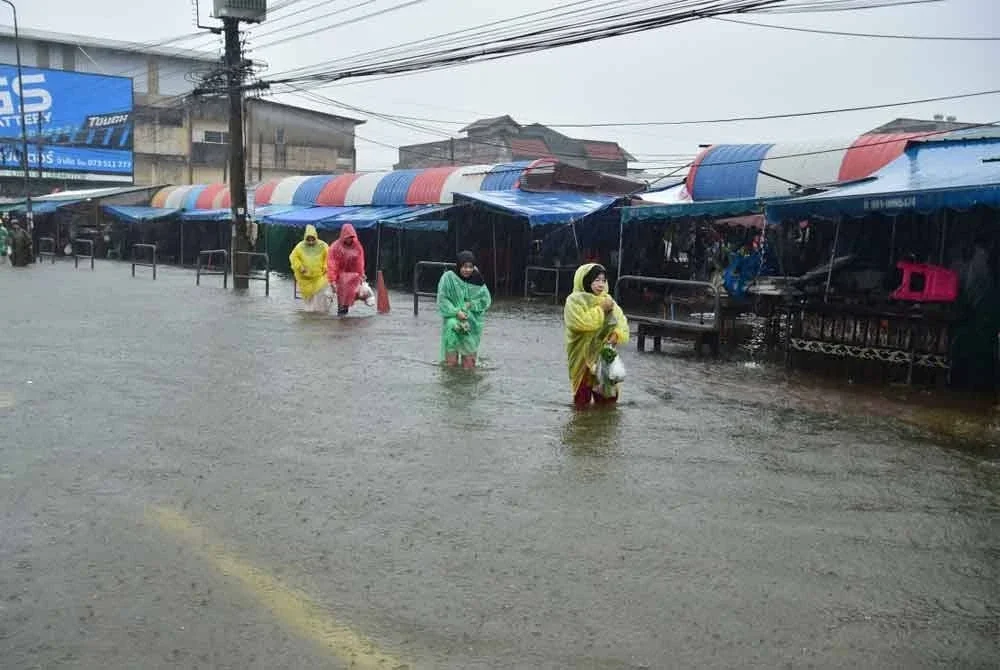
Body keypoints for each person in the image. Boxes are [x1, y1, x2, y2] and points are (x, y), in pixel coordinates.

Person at [564, 263, 629, 408]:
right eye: (596, 280)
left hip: (603, 355)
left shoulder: (608, 300)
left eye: (603, 280)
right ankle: (582, 428)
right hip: (581, 357)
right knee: (582, 400)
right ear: (586, 281)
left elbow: (621, 322)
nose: (600, 284)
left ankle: (602, 428)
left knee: (608, 399)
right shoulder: (574, 301)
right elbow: (581, 323)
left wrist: (616, 335)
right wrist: (601, 310)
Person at [437, 250, 492, 369]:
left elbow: (485, 300)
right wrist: (456, 312)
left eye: (470, 267)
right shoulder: (449, 278)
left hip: (472, 322)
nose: (467, 270)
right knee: (450, 364)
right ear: (458, 266)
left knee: (469, 364)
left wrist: (471, 305)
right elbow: (442, 299)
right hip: (454, 321)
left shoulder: (477, 279)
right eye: (464, 266)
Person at [326, 223, 367, 315]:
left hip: (352, 276)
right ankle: (341, 317)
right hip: (340, 276)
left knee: (350, 297)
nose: (349, 239)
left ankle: (344, 319)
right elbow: (332, 264)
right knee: (341, 298)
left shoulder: (357, 246)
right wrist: (332, 279)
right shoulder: (335, 247)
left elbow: (359, 261)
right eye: (347, 237)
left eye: (351, 237)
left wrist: (361, 274)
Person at [289, 225, 330, 313]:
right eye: (308, 239)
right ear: (305, 237)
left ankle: (319, 315)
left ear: (316, 236)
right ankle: (310, 316)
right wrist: (300, 267)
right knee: (308, 301)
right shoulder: (300, 246)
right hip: (305, 279)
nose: (311, 242)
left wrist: (325, 266)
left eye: (312, 239)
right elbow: (293, 257)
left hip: (319, 277)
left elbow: (329, 257)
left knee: (320, 297)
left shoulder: (323, 246)